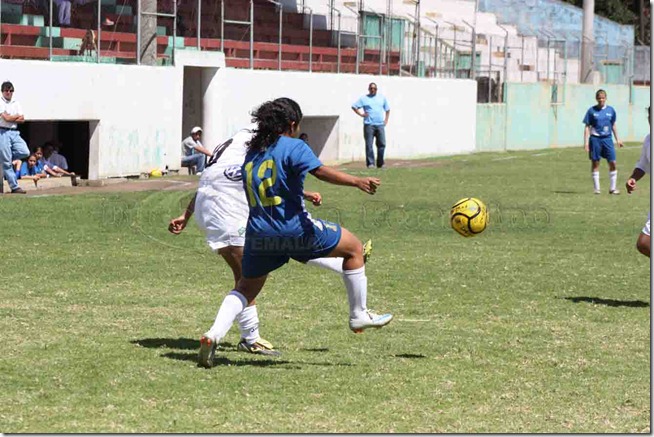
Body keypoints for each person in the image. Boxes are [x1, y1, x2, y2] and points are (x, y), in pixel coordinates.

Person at [197, 97, 392, 368]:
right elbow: (321, 172)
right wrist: (357, 181)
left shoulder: (253, 152)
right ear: (291, 124)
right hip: (293, 229)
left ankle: (213, 334)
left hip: (257, 233)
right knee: (354, 248)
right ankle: (359, 314)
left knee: (245, 287)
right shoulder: (294, 146)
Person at [583, 89, 624, 195]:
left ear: (606, 98)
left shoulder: (611, 110)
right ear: (596, 98)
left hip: (607, 139)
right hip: (595, 139)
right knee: (595, 163)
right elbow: (587, 127)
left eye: (603, 97)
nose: (601, 99)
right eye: (599, 97)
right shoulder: (591, 111)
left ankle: (613, 188)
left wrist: (618, 139)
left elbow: (613, 125)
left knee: (613, 162)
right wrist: (586, 143)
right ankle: (597, 189)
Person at [625, 106, 651, 258]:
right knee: (643, 244)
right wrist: (633, 177)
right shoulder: (649, 140)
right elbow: (643, 164)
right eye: (649, 116)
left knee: (644, 242)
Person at [0, 81, 30, 194]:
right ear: (2, 91)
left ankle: (4, 158)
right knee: (7, 163)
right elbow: (6, 119)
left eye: (11, 90)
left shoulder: (16, 102)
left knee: (25, 151)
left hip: (14, 132)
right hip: (2, 131)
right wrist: (15, 116)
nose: (9, 92)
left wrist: (11, 117)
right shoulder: (0, 102)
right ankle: (14, 187)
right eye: (6, 90)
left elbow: (22, 119)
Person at [352, 82, 390, 169]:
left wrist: (386, 120)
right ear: (369, 89)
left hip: (380, 125)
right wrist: (361, 114)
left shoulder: (382, 98)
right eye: (371, 88)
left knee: (382, 144)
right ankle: (370, 163)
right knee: (369, 145)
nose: (373, 90)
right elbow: (354, 106)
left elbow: (387, 109)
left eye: (374, 88)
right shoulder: (364, 98)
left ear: (376, 89)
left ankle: (380, 163)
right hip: (369, 125)